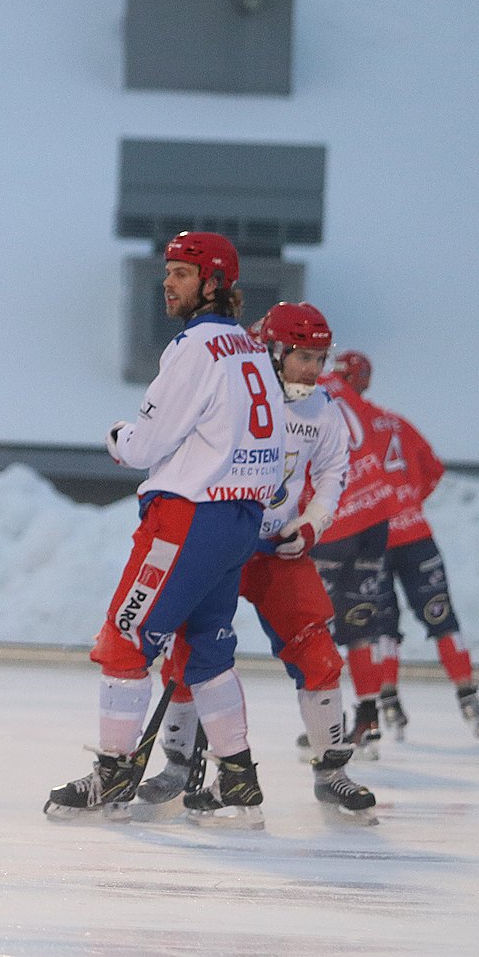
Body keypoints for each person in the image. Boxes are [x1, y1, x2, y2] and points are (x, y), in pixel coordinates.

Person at [44, 231, 283, 828]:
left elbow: (146, 444)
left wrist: (118, 435)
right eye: (168, 271)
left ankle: (113, 771)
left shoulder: (195, 347)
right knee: (209, 651)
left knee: (126, 639)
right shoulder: (252, 350)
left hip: (188, 517)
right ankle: (239, 785)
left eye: (180, 272)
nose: (167, 283)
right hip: (238, 518)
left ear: (213, 283)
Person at [137, 303, 377, 820]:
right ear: (273, 349)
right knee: (189, 655)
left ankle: (331, 772)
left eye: (320, 357)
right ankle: (179, 766)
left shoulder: (324, 409)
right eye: (305, 357)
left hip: (274, 551)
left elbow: (335, 471)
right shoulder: (230, 393)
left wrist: (310, 524)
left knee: (317, 652)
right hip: (219, 537)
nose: (315, 369)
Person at [332, 352, 479, 741]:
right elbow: (433, 469)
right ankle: (470, 701)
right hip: (415, 534)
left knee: (379, 626)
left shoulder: (340, 423)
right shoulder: (394, 420)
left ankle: (386, 703)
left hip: (373, 534)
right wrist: (408, 501)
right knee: (442, 617)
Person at [307, 351, 407, 758]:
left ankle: (324, 729)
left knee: (317, 625)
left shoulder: (301, 388)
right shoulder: (347, 391)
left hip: (337, 519)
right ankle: (368, 714)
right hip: (375, 518)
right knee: (361, 622)